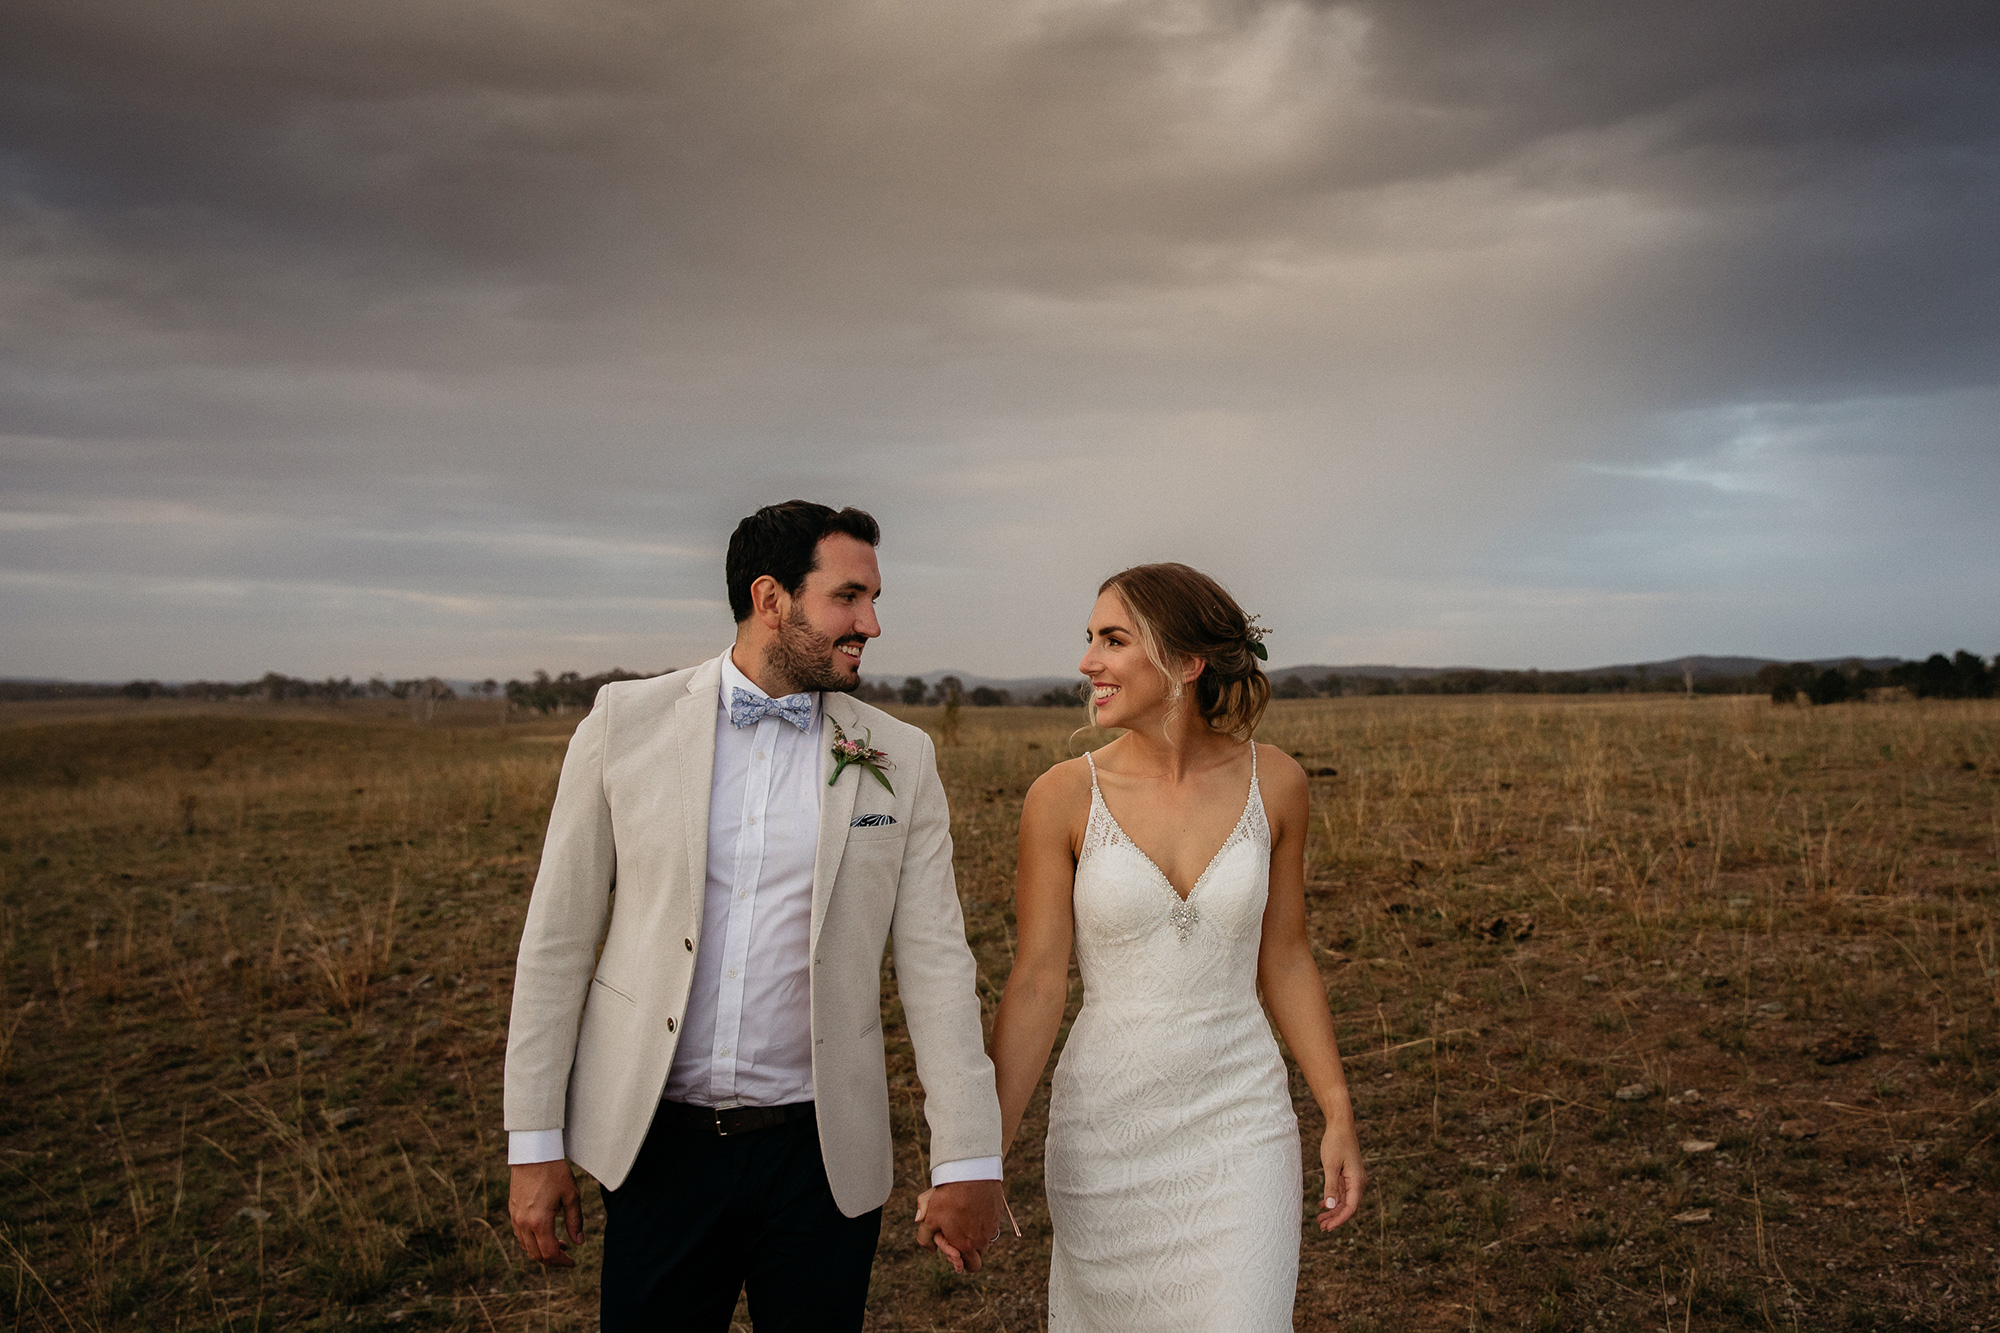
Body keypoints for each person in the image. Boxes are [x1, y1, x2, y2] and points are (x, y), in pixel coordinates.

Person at [503, 501, 1007, 1331]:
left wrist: (968, 1153)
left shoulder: (899, 757)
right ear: (771, 597)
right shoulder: (623, 725)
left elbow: (938, 964)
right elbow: (556, 941)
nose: (871, 623)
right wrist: (534, 1140)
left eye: (874, 599)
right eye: (848, 597)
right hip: (656, 1144)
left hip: (820, 1156)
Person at [982, 562, 1365, 1330]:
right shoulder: (1061, 796)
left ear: (1188, 663)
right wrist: (976, 1156)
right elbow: (1035, 986)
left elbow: (1286, 956)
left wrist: (1336, 1106)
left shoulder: (1279, 782)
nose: (1088, 660)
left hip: (1241, 1117)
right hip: (1107, 1131)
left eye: (1114, 639)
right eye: (1088, 639)